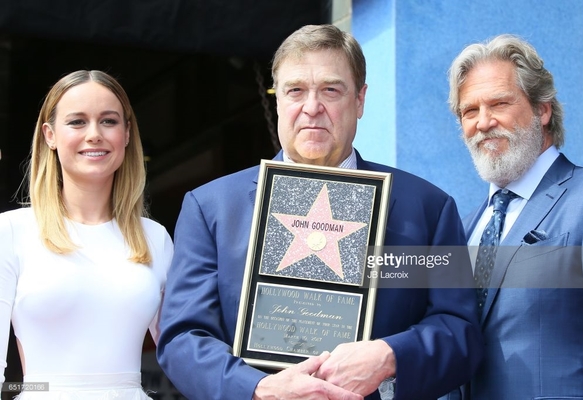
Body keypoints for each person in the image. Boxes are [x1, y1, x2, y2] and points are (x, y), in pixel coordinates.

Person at [157, 24, 482, 400]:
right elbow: (183, 338)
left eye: (331, 90)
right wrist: (258, 388)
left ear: (359, 100)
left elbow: (460, 332)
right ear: (278, 101)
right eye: (295, 90)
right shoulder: (211, 208)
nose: (312, 107)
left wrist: (390, 357)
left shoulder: (427, 208)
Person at [0, 70, 174, 399]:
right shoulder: (11, 231)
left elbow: (182, 349)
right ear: (50, 135)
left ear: (126, 134)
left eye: (108, 121)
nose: (94, 134)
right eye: (77, 122)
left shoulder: (155, 238)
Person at [447, 34, 583, 399]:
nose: (484, 122)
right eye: (470, 111)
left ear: (542, 110)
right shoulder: (464, 228)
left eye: (499, 103)